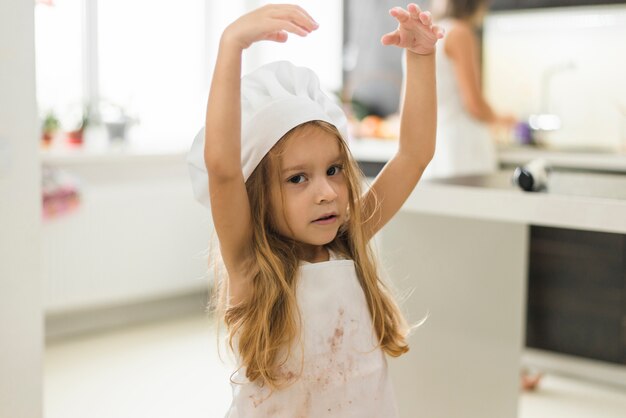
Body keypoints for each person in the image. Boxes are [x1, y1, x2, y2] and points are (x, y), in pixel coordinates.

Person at [187, 3, 443, 417]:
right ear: (257, 196)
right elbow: (222, 169)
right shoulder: (252, 267)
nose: (326, 192)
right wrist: (232, 45)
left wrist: (421, 57)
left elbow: (414, 154)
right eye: (297, 179)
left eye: (334, 170)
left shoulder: (348, 238)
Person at [418, 0, 516, 179]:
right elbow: (474, 105)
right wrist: (503, 119)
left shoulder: (422, 36)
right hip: (461, 148)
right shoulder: (459, 33)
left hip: (429, 147)